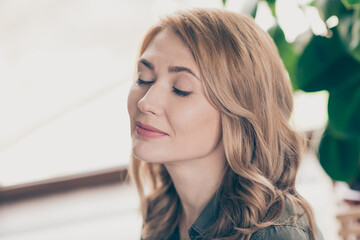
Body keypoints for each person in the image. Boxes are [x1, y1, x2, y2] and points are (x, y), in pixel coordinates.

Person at [127, 8, 324, 240]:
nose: (145, 102)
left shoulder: (275, 234)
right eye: (144, 79)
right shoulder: (161, 215)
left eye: (181, 89)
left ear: (238, 112)